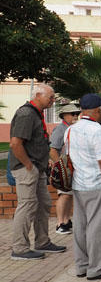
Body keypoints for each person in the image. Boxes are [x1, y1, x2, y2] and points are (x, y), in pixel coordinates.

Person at [8, 84, 65, 260]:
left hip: (37, 168)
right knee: (27, 205)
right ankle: (20, 248)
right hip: (27, 168)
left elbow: (36, 142)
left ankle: (42, 241)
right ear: (38, 95)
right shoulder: (26, 114)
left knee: (44, 203)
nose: (53, 100)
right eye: (51, 97)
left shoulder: (36, 113)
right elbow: (15, 144)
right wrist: (29, 166)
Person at [69, 93, 101, 279]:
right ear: (98, 110)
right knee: (98, 227)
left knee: (81, 226)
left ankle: (82, 265)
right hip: (99, 184)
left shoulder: (72, 129)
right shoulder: (98, 131)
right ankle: (97, 268)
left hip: (79, 184)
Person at [50, 103, 81, 235]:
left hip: (71, 168)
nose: (75, 116)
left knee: (69, 196)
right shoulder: (60, 129)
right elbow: (52, 150)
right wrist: (61, 168)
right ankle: (60, 223)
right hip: (64, 169)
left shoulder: (73, 128)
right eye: (72, 114)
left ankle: (66, 221)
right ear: (64, 115)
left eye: (77, 113)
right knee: (64, 195)